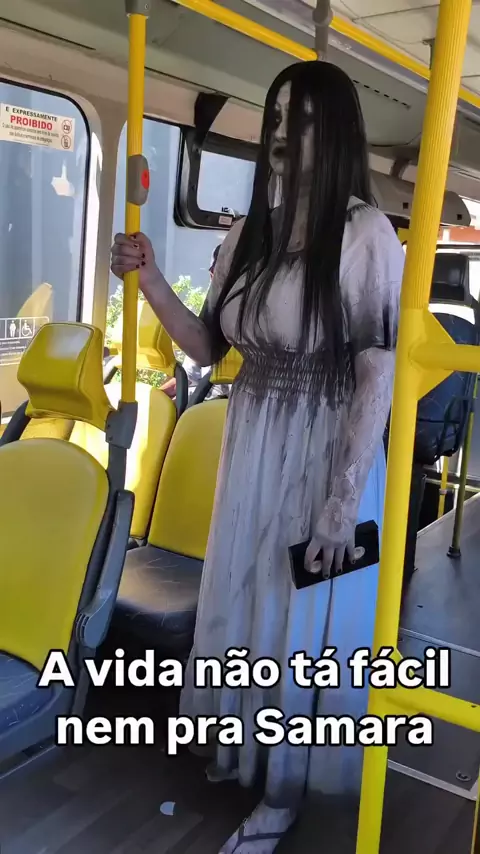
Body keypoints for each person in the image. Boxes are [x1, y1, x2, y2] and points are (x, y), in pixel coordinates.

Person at [111, 60, 405, 854]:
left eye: (299, 121)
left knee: (300, 620)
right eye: (275, 118)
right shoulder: (251, 233)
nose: (281, 135)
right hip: (254, 441)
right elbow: (209, 346)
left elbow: (376, 375)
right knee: (244, 599)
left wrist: (342, 505)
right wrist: (149, 281)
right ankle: (244, 743)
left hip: (326, 448)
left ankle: (283, 791)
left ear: (333, 132)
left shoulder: (364, 235)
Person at [160, 243, 229, 400]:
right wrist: (156, 397)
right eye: (217, 272)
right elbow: (188, 377)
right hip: (199, 400)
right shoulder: (210, 321)